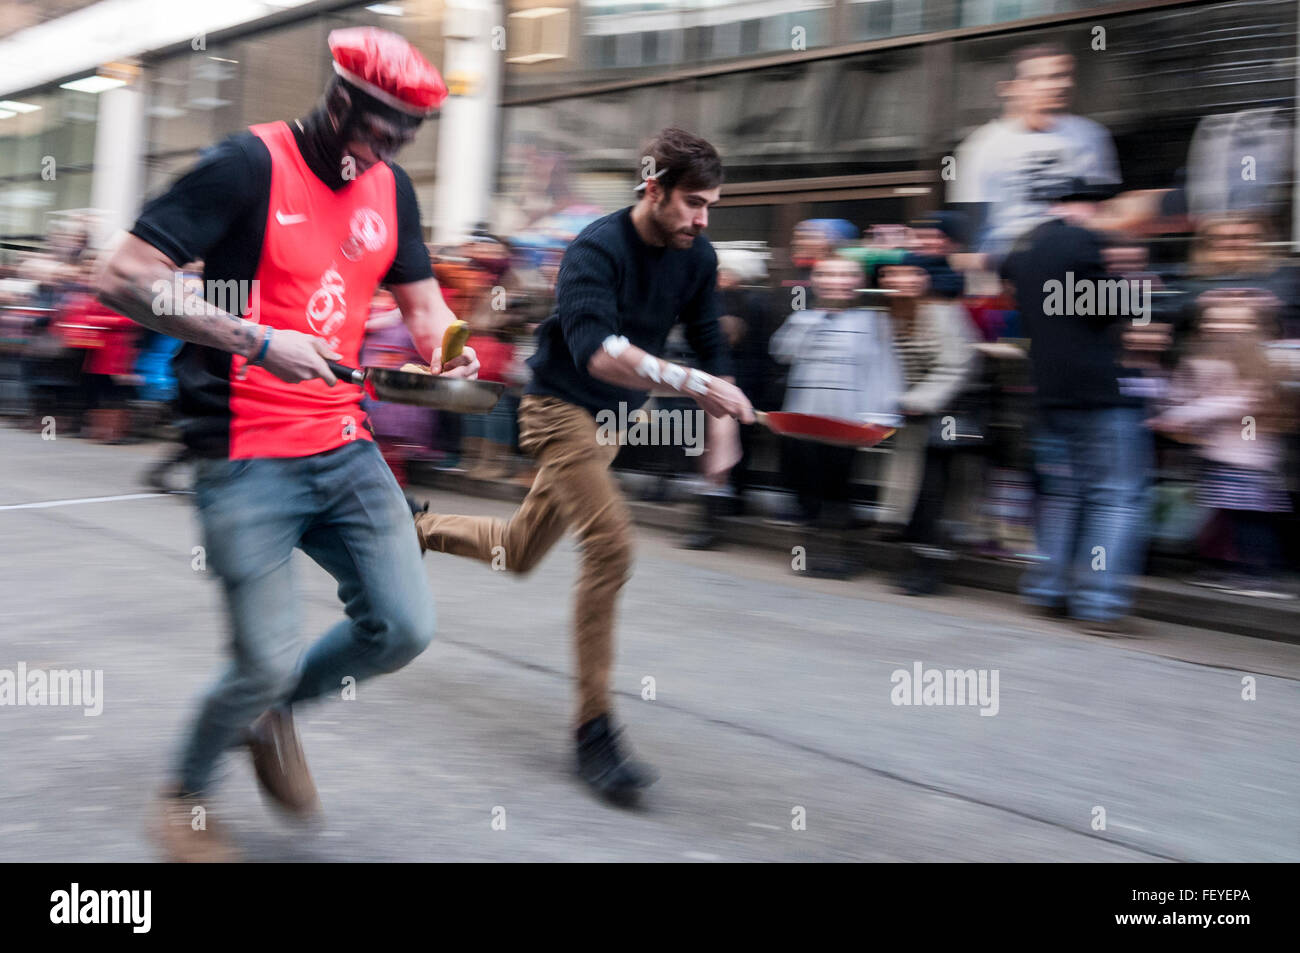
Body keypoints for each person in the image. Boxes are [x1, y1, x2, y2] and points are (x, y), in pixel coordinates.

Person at [97, 27, 477, 860]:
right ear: (341, 99)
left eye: (406, 140)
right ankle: (186, 795)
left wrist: (452, 345)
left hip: (345, 445)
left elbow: (421, 306)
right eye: (380, 131)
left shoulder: (392, 188)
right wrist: (256, 340)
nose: (387, 153)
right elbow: (121, 275)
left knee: (403, 627)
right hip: (243, 452)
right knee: (261, 658)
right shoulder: (245, 166)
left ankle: (275, 718)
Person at [412, 128, 754, 804]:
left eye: (710, 205)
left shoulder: (697, 255)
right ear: (653, 189)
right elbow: (599, 351)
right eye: (692, 203)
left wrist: (723, 433)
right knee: (612, 550)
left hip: (612, 420)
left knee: (520, 548)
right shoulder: (594, 249)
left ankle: (412, 529)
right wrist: (691, 385)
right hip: (556, 408)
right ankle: (592, 728)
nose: (702, 218)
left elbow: (713, 340)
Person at [999, 180, 1152, 636]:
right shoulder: (1080, 242)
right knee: (1117, 496)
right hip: (1098, 394)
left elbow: (1042, 308)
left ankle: (1048, 588)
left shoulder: (1026, 253)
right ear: (1084, 208)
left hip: (1050, 394)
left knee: (1063, 496)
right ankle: (1099, 601)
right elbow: (1118, 307)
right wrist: (1134, 287)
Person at [769, 255, 901, 576]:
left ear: (856, 283)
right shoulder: (803, 317)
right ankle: (808, 554)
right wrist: (810, 321)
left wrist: (881, 416)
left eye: (845, 275)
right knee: (807, 487)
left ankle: (841, 555)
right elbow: (781, 352)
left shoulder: (874, 322)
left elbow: (884, 369)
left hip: (847, 421)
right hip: (805, 419)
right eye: (827, 275)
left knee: (840, 488)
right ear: (815, 282)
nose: (836, 282)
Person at [952, 42, 1120, 265]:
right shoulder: (981, 146)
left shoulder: (1091, 136)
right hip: (1010, 266)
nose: (1061, 85)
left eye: (1065, 76)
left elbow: (1106, 210)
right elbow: (972, 230)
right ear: (1011, 88)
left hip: (1075, 263)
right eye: (1045, 78)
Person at [875, 255, 977, 595]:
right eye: (892, 274)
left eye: (910, 274)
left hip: (944, 418)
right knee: (911, 493)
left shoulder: (944, 314)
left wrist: (917, 400)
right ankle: (914, 562)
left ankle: (927, 569)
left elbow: (956, 367)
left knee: (933, 494)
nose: (899, 280)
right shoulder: (887, 314)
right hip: (910, 418)